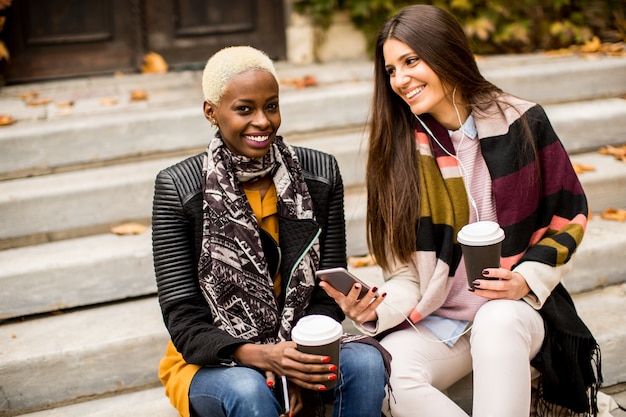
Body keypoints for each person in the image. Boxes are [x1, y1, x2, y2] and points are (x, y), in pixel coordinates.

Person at [317, 5, 616, 417]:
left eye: (410, 61)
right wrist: (375, 305)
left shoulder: (522, 122)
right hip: (441, 319)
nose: (400, 80)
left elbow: (569, 218)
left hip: (516, 312)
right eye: (390, 70)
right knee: (384, 372)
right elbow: (407, 271)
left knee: (496, 320)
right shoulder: (397, 152)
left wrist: (524, 280)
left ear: (445, 52)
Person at [151, 45, 388, 417]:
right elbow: (183, 317)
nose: (262, 121)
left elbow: (327, 291)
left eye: (271, 106)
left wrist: (291, 364)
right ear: (211, 112)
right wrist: (263, 358)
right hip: (215, 358)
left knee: (366, 364)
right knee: (250, 390)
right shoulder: (178, 188)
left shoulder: (319, 175)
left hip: (298, 347)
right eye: (244, 109)